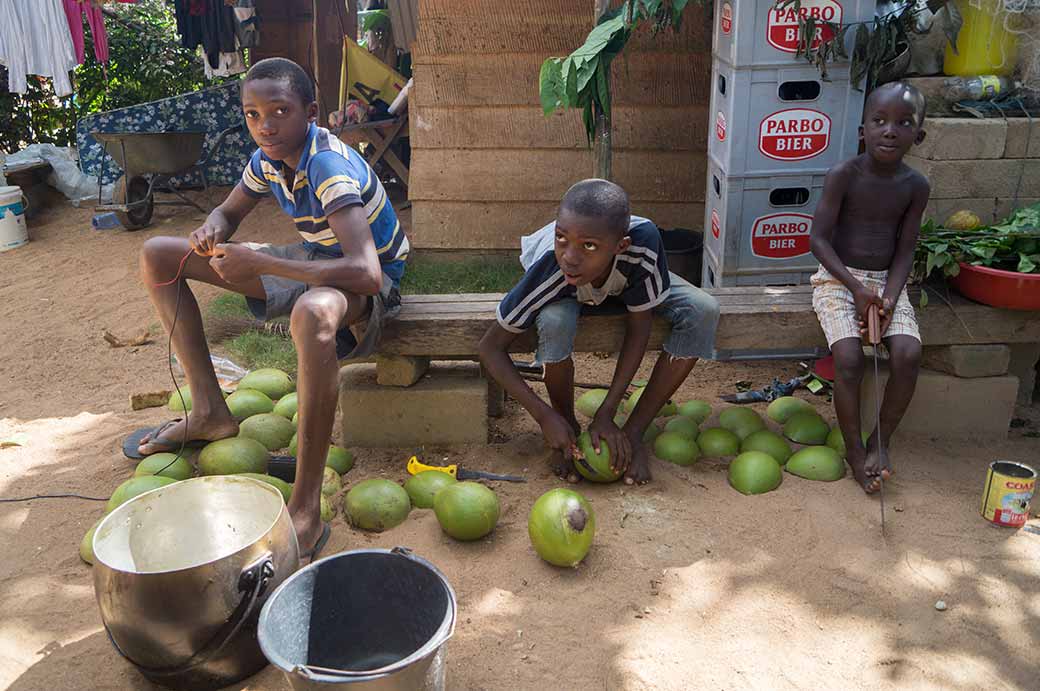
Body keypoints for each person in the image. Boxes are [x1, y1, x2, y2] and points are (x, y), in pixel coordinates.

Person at [131, 57, 408, 559]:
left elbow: (365, 271)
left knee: (311, 314)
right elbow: (230, 209)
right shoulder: (267, 157)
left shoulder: (327, 165)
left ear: (311, 111)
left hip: (375, 283)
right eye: (252, 114)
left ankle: (305, 510)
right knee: (159, 256)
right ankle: (212, 411)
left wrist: (261, 262)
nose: (265, 125)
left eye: (279, 110)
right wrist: (213, 227)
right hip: (320, 260)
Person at [478, 179, 720, 485]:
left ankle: (633, 434)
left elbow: (639, 326)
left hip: (622, 279)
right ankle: (567, 429)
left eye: (588, 245)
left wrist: (608, 412)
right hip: (565, 290)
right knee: (555, 322)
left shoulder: (642, 244)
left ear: (621, 246)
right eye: (561, 238)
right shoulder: (552, 268)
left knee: (703, 310)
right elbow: (489, 348)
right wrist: (545, 416)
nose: (571, 255)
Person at [809, 81, 929, 494]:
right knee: (849, 358)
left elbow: (905, 249)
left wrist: (891, 298)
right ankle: (854, 449)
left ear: (919, 135)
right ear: (862, 129)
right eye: (879, 121)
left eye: (903, 123)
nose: (889, 131)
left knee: (908, 353)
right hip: (838, 278)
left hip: (887, 284)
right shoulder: (843, 175)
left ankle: (881, 440)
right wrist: (857, 290)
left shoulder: (915, 186)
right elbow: (818, 241)